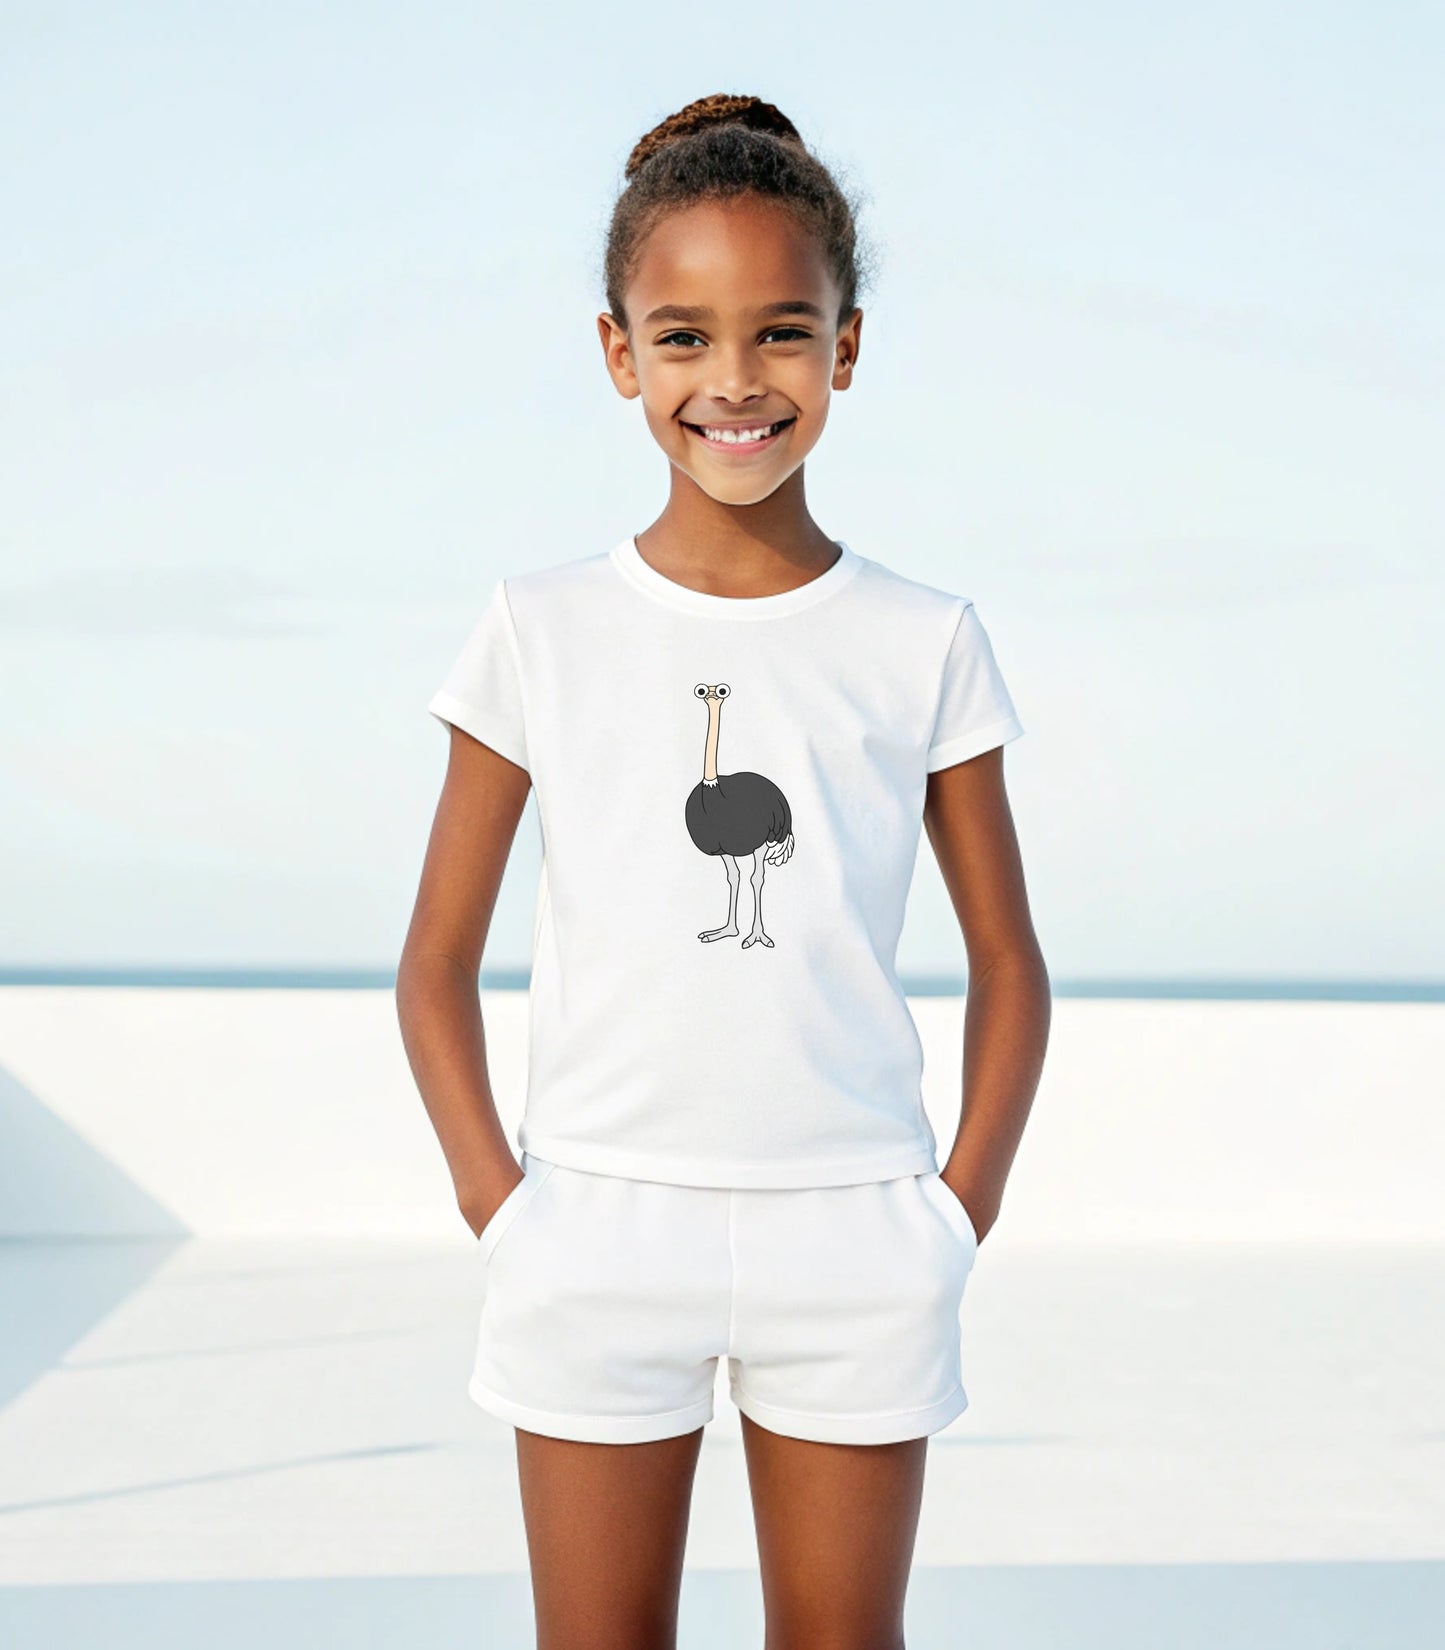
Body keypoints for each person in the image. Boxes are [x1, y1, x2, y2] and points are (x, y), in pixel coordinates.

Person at [397, 91, 1051, 1650]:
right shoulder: (538, 627)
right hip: (596, 1232)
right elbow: (434, 959)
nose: (734, 380)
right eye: (681, 337)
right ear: (620, 354)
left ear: (845, 346)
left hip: (855, 1233)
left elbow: (1007, 959)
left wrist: (955, 1210)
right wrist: (506, 1206)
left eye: (779, 331)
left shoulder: (922, 640)